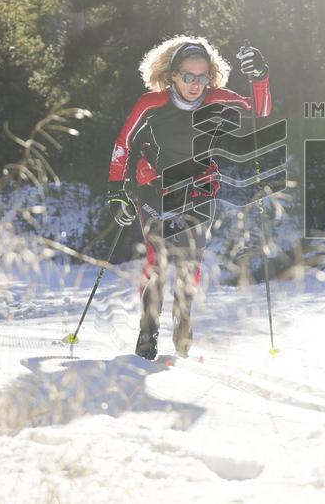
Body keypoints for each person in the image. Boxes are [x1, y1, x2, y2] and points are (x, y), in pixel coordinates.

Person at [106, 36, 272, 359]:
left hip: (199, 188)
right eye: (188, 76)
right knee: (158, 258)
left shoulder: (217, 99)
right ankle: (148, 327)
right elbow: (123, 145)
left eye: (202, 77)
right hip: (154, 187)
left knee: (191, 256)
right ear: (172, 76)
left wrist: (260, 77)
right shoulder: (151, 104)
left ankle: (183, 316)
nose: (196, 85)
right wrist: (117, 192)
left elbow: (259, 114)